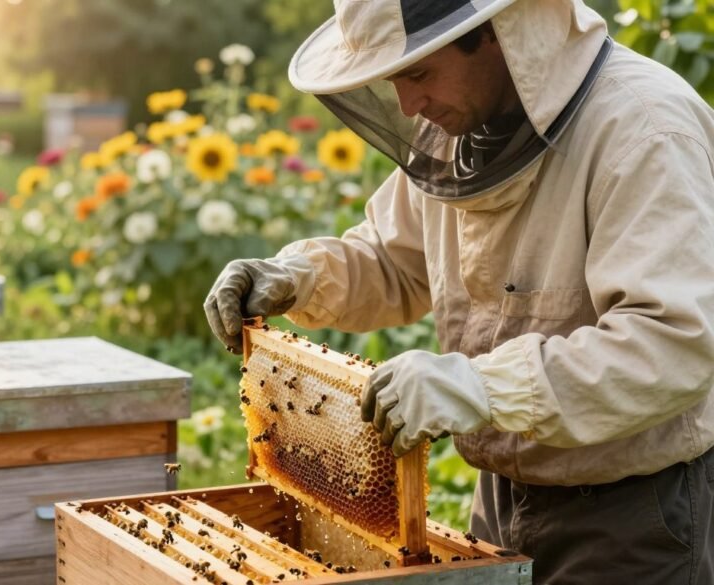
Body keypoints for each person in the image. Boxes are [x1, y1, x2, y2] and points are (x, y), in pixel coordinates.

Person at [203, 1, 714, 583]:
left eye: (419, 73)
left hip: (631, 513)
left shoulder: (645, 129)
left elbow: (672, 345)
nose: (408, 104)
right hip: (498, 497)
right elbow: (394, 259)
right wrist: (299, 276)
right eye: (395, 79)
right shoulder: (462, 129)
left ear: (497, 34)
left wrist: (481, 385)